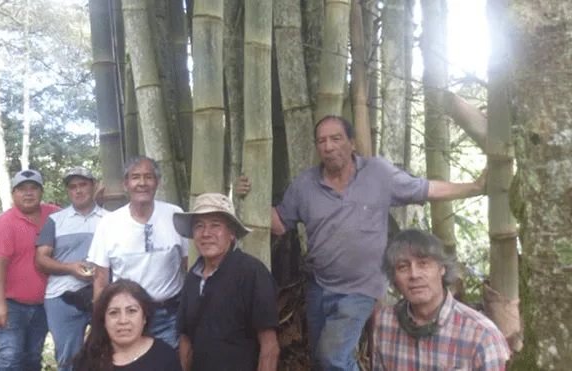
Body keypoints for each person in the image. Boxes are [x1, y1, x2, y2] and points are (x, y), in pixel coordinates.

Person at [236, 115, 487, 371]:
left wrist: (475, 187)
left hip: (361, 288)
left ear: (352, 143)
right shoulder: (305, 184)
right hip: (319, 285)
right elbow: (279, 223)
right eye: (321, 141)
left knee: (332, 356)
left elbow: (425, 189)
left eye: (336, 139)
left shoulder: (378, 173)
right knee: (322, 359)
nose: (329, 146)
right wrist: (250, 195)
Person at [87, 156, 189, 348]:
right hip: (126, 318)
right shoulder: (109, 224)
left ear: (157, 182)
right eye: (135, 177)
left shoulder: (175, 215)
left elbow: (190, 265)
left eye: (148, 177)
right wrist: (99, 324)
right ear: (125, 184)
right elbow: (100, 281)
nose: (142, 183)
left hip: (170, 314)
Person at [374, 229, 510, 370]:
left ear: (442, 269)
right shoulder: (384, 322)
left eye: (423, 264)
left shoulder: (482, 336)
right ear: (394, 276)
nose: (414, 275)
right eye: (403, 267)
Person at [174, 193, 280, 371]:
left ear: (232, 234)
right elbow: (186, 341)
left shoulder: (251, 273)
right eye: (199, 226)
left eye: (215, 225)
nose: (206, 233)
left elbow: (269, 346)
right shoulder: (192, 277)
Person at [35, 167, 108, 371]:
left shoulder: (110, 219)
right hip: (61, 296)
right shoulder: (56, 220)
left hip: (102, 295)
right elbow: (40, 260)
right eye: (73, 187)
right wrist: (70, 268)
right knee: (68, 358)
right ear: (68, 191)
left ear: (93, 186)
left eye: (83, 185)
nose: (78, 191)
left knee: (107, 353)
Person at [0, 169, 61, 371]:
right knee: (9, 359)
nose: (28, 193)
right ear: (14, 194)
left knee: (31, 359)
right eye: (22, 189)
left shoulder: (54, 214)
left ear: (41, 192)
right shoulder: (5, 222)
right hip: (11, 305)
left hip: (41, 305)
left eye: (33, 188)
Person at [71, 279, 183, 371]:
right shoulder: (88, 360)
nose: (123, 321)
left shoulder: (165, 357)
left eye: (132, 311)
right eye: (114, 313)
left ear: (144, 317)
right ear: (104, 320)